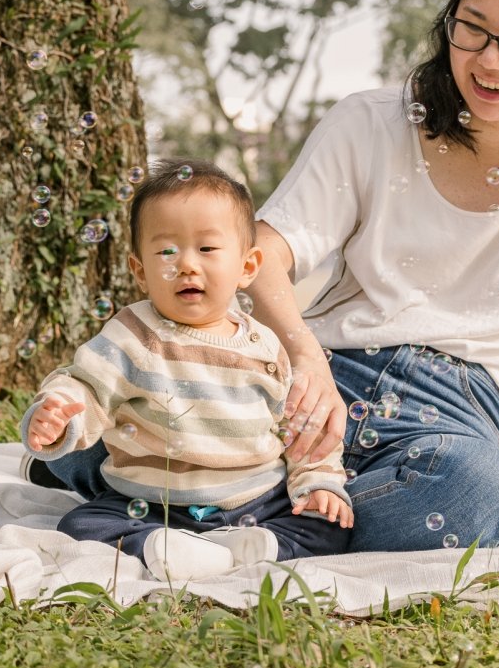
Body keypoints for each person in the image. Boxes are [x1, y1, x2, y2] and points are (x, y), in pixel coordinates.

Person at [25, 0, 499, 555]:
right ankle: (250, 505)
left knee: (479, 490)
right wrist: (303, 357)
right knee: (120, 399)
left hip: (454, 414)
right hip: (323, 367)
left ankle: (219, 499)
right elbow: (263, 253)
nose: (489, 60)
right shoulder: (371, 121)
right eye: (473, 28)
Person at [20, 159, 353, 583]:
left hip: (254, 500)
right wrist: (59, 412)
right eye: (166, 251)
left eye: (207, 249)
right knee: (81, 524)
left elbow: (300, 431)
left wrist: (318, 483)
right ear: (140, 271)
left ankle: (259, 545)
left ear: (247, 267)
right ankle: (162, 546)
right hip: (152, 501)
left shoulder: (267, 346)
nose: (187, 265)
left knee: (328, 525)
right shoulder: (134, 334)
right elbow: (86, 385)